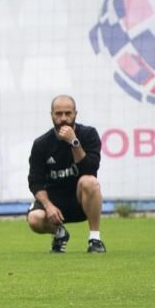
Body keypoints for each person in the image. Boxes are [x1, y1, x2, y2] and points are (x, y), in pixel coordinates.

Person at [27, 95, 105, 253]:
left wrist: (74, 142)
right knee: (34, 219)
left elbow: (90, 170)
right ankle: (60, 233)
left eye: (68, 113)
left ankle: (95, 239)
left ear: (75, 113)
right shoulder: (41, 144)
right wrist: (48, 206)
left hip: (80, 201)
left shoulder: (88, 135)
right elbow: (35, 181)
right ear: (51, 115)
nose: (63, 118)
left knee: (90, 182)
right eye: (58, 113)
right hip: (55, 203)